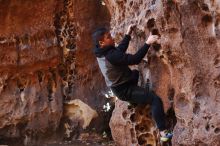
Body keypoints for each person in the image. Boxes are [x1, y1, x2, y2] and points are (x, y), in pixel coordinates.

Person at [92, 25, 173, 142]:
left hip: (122, 84)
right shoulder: (110, 55)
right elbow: (135, 59)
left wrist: (128, 34)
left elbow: (119, 51)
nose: (112, 37)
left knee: (135, 73)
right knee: (155, 99)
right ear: (101, 42)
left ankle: (133, 101)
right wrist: (147, 43)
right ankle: (163, 132)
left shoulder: (101, 52)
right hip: (124, 90)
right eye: (108, 37)